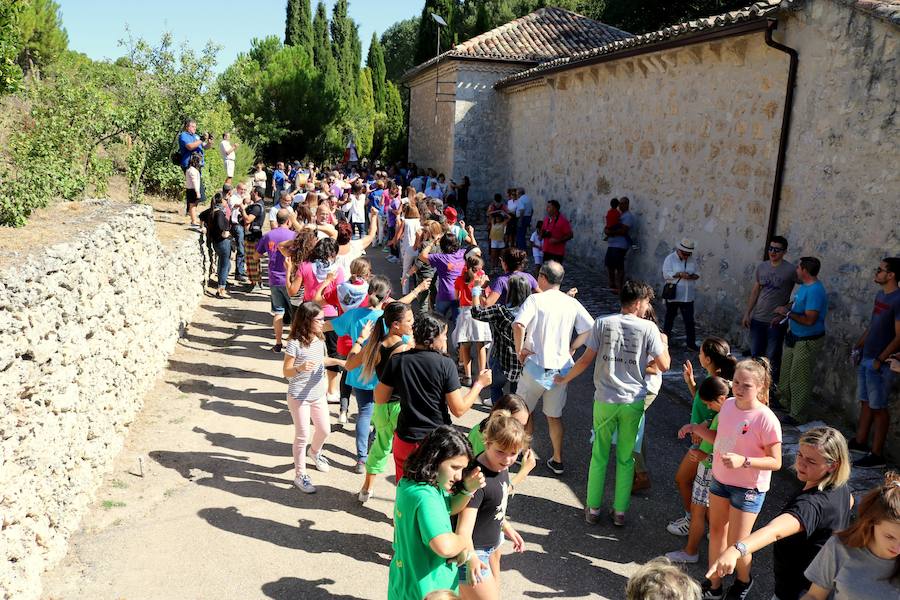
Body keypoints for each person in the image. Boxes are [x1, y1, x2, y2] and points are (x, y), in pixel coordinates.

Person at [557, 280, 670, 525]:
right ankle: (620, 512)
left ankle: (593, 508)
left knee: (599, 455)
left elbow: (586, 360)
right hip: (633, 402)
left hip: (605, 399)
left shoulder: (603, 323)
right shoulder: (649, 329)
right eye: (647, 302)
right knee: (626, 457)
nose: (647, 307)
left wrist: (565, 378)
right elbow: (664, 365)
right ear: (639, 303)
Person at [707, 426, 852, 599]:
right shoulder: (840, 488)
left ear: (832, 465)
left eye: (811, 461)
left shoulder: (810, 505)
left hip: (796, 592)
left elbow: (773, 531)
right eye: (800, 455)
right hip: (822, 585)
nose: (801, 463)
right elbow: (849, 503)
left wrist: (735, 550)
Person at [703, 358, 783, 600]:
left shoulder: (766, 418)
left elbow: (776, 462)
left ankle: (743, 581)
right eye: (736, 382)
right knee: (717, 531)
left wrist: (743, 461)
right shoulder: (727, 405)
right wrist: (705, 442)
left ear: (759, 387)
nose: (738, 388)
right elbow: (724, 438)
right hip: (720, 480)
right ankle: (714, 585)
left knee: (739, 543)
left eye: (746, 385)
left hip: (748, 488)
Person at [376, 313, 491, 479]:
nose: (445, 340)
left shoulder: (398, 360)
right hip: (436, 442)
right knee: (434, 492)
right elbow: (458, 409)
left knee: (405, 491)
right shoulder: (445, 364)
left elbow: (380, 398)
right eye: (444, 335)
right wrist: (479, 384)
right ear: (432, 337)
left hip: (405, 438)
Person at [387, 425, 487, 600]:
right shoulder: (427, 498)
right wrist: (464, 542)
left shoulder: (411, 482)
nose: (458, 476)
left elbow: (448, 507)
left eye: (462, 469)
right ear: (435, 459)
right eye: (455, 467)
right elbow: (444, 546)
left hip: (404, 582)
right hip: (430, 588)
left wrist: (466, 490)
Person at [513, 261, 593, 475]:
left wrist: (519, 350)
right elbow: (590, 328)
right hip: (560, 370)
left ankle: (525, 453)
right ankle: (557, 458)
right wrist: (572, 347)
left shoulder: (535, 299)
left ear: (542, 277)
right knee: (554, 416)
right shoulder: (570, 303)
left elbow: (518, 324)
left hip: (536, 366)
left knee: (525, 412)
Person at [454, 411, 530, 599]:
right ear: (487, 443)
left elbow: (493, 505)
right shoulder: (478, 479)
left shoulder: (499, 465)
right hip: (473, 554)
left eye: (514, 453)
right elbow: (463, 530)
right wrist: (471, 558)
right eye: (500, 452)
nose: (506, 459)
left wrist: (505, 526)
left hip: (488, 548)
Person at [667, 338, 737, 537]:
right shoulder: (712, 378)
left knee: (684, 480)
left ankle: (694, 521)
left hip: (705, 445)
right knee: (699, 486)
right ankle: (704, 523)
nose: (698, 356)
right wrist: (690, 383)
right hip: (703, 441)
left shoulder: (716, 383)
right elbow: (703, 400)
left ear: (707, 358)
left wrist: (699, 431)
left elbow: (715, 413)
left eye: (700, 353)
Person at [350, 302, 415, 502]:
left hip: (380, 407)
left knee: (380, 447)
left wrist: (360, 340)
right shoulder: (404, 348)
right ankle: (403, 500)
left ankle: (366, 488)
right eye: (409, 321)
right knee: (405, 454)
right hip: (399, 408)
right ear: (396, 324)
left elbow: (350, 363)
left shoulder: (375, 345)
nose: (413, 324)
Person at [801, 471, 900, 600]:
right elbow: (814, 595)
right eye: (890, 537)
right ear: (871, 522)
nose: (898, 548)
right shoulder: (839, 547)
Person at [281, 302, 344, 494]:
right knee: (302, 436)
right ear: (308, 320)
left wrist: (340, 361)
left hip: (318, 395)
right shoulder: (294, 343)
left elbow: (321, 360)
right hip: (299, 396)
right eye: (320, 319)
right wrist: (299, 368)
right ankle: (300, 474)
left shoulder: (319, 338)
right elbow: (285, 372)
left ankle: (314, 453)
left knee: (325, 430)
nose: (323, 322)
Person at [665, 377, 730, 564]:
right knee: (714, 517)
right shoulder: (729, 414)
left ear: (721, 399)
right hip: (714, 468)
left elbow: (723, 445)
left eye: (709, 404)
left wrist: (705, 455)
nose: (708, 408)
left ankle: (691, 551)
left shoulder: (724, 416)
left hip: (710, 468)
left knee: (698, 510)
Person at [851, 257, 900, 468]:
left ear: (891, 275)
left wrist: (881, 359)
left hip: (882, 362)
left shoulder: (898, 299)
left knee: (879, 407)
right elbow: (874, 325)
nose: (876, 272)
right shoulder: (881, 295)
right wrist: (859, 345)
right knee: (866, 401)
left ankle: (877, 454)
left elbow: (899, 336)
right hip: (868, 356)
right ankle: (860, 441)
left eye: (880, 270)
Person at [774, 257, 827, 425]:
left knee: (800, 377)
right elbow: (795, 303)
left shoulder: (816, 291)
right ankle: (784, 402)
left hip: (807, 340)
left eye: (798, 267)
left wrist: (788, 314)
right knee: (786, 372)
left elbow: (810, 319)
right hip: (794, 335)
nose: (796, 269)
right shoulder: (805, 287)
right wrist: (784, 312)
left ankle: (797, 414)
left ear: (804, 270)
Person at [741, 235, 796, 384]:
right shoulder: (762, 267)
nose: (773, 252)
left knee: (773, 357)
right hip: (758, 318)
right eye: (771, 248)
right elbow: (755, 290)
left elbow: (801, 293)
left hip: (776, 321)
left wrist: (787, 308)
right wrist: (748, 313)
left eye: (777, 250)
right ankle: (755, 386)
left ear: (784, 252)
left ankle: (771, 388)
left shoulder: (790, 270)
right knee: (755, 356)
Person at [472, 275, 533, 405]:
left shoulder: (500, 311)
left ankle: (498, 413)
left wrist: (477, 288)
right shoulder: (533, 313)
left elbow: (477, 313)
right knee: (516, 396)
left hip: (502, 360)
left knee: (495, 387)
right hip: (523, 363)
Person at [257, 209, 297, 352]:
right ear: (288, 221)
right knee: (294, 315)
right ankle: (292, 345)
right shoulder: (295, 236)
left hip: (274, 278)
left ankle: (278, 343)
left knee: (278, 312)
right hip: (291, 279)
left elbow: (257, 255)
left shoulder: (268, 235)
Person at [454, 254, 492, 387]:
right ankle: (482, 374)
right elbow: (485, 298)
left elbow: (456, 296)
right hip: (478, 312)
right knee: (480, 344)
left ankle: (467, 376)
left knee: (465, 345)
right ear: (479, 268)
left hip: (465, 312)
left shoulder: (460, 279)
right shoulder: (481, 281)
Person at [662, 238, 700, 351]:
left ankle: (691, 344)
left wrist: (691, 276)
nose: (686, 256)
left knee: (689, 321)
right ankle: (664, 343)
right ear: (679, 250)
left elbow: (698, 274)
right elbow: (666, 274)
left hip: (688, 296)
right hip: (674, 295)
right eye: (684, 254)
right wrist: (679, 274)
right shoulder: (670, 259)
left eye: (689, 254)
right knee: (669, 319)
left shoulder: (692, 260)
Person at [199, 193, 232, 299]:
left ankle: (221, 284)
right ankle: (221, 289)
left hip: (215, 243)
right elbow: (222, 226)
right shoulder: (220, 214)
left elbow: (201, 216)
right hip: (223, 242)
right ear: (221, 201)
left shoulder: (211, 211)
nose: (226, 201)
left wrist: (202, 227)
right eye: (225, 199)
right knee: (224, 265)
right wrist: (226, 233)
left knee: (223, 264)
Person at [604, 197, 635, 293]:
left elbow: (624, 230)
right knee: (610, 265)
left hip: (621, 245)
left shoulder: (628, 216)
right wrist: (607, 230)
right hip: (612, 244)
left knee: (619, 266)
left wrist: (610, 232)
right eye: (619, 204)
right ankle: (612, 284)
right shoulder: (618, 214)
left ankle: (619, 287)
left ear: (627, 204)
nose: (620, 205)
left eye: (622, 204)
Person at [242, 187, 266, 292]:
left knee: (252, 260)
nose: (250, 193)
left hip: (253, 237)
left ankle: (255, 283)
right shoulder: (260, 205)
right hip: (255, 236)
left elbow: (248, 219)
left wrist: (242, 210)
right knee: (253, 260)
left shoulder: (257, 207)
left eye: (252, 192)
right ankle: (255, 283)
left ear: (256, 193)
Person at [539, 200, 573, 264]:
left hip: (557, 253)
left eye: (549, 207)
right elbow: (542, 230)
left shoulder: (563, 221)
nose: (547, 209)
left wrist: (557, 240)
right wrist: (541, 235)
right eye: (547, 207)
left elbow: (570, 235)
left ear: (555, 209)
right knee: (545, 272)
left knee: (555, 273)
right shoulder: (546, 219)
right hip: (546, 250)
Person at [184, 154, 202, 230]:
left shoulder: (188, 170)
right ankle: (193, 221)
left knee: (192, 205)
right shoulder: (193, 171)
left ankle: (193, 220)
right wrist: (197, 192)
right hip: (193, 190)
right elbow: (195, 182)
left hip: (189, 189)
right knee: (193, 206)